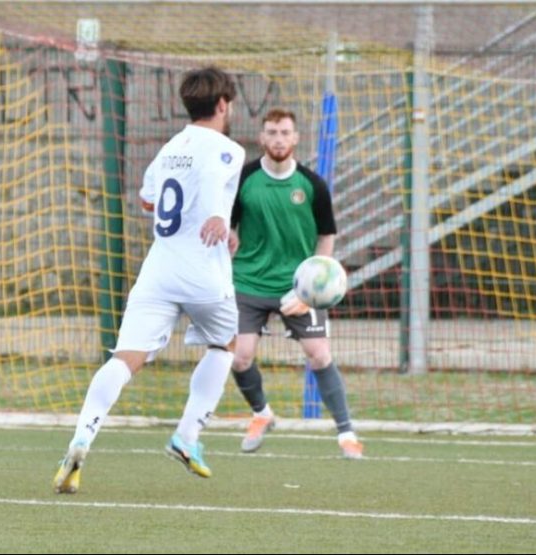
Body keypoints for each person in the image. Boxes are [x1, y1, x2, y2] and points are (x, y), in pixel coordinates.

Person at [52, 67, 246, 494]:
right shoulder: (228, 148)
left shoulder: (170, 148)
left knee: (125, 359)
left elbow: (146, 199)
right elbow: (215, 177)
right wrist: (216, 215)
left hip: (158, 270)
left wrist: (204, 215)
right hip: (202, 272)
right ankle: (187, 437)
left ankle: (81, 438)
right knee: (225, 345)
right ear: (222, 105)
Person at [226, 108, 363, 459]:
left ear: (296, 138)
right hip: (248, 281)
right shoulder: (244, 179)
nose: (278, 139)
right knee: (239, 357)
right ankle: (262, 414)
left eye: (285, 133)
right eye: (271, 132)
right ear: (261, 138)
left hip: (297, 286)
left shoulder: (312, 184)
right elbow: (228, 227)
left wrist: (311, 289)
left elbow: (326, 236)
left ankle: (347, 433)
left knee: (318, 355)